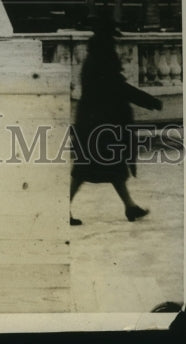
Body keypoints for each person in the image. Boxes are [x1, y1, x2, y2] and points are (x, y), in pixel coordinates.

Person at [69, 16, 163, 225]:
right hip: (99, 124)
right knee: (86, 170)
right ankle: (61, 208)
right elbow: (118, 88)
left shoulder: (97, 57)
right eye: (112, 37)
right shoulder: (102, 60)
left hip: (97, 121)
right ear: (106, 38)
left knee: (111, 168)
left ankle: (130, 206)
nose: (115, 41)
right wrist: (150, 101)